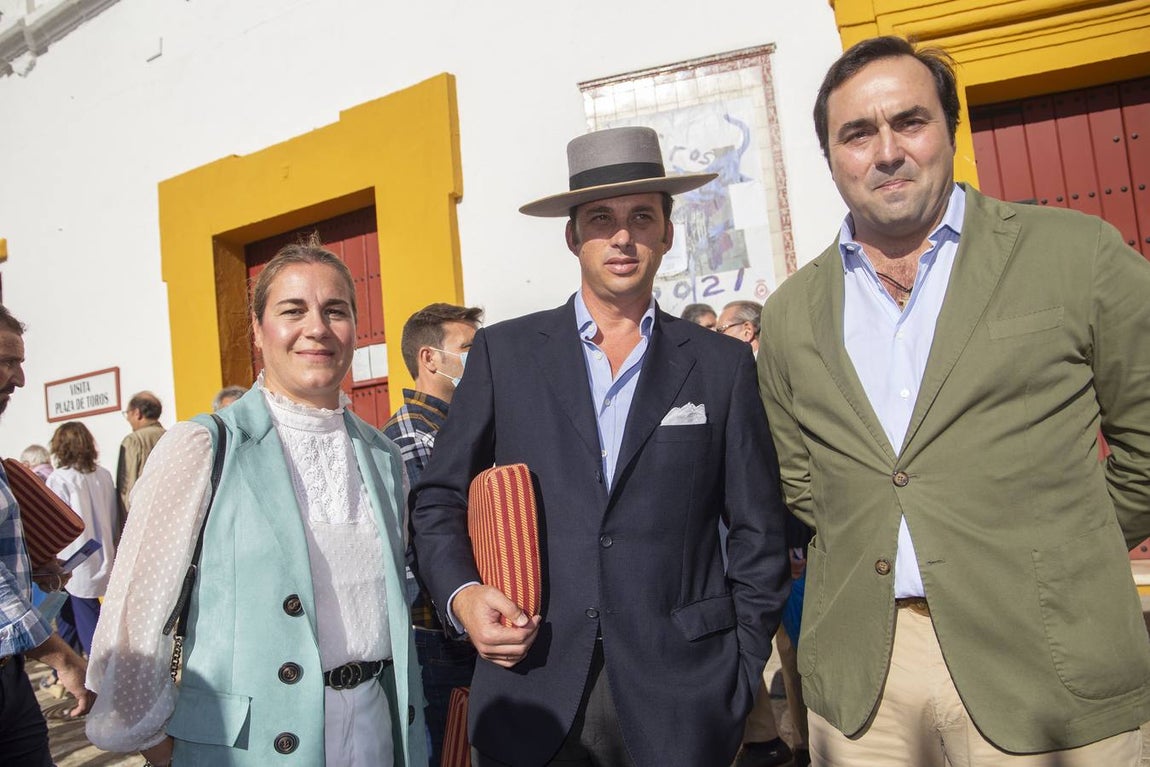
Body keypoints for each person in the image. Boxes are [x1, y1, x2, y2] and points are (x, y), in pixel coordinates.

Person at [758, 35, 1150, 766]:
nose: (886, 151)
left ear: (950, 130)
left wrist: (1065, 546)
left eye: (909, 121)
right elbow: (804, 481)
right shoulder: (790, 313)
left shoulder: (1076, 253)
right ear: (831, 157)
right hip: (865, 684)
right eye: (857, 133)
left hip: (1048, 657)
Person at [412, 126, 789, 767]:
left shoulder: (721, 366)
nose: (622, 236)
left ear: (668, 232)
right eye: (601, 219)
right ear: (572, 235)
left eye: (642, 216)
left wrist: (740, 665)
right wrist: (463, 597)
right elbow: (438, 499)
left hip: (685, 696)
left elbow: (758, 527)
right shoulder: (506, 355)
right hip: (533, 684)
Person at [86, 241, 426, 767]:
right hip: (247, 746)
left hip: (377, 727)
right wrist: (150, 739)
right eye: (293, 310)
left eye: (335, 310)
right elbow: (137, 610)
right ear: (257, 328)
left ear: (355, 328)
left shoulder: (382, 455)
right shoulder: (202, 446)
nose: (316, 327)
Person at [383, 302, 483, 767]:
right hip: (441, 636)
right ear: (430, 359)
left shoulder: (458, 428)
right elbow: (438, 542)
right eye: (467, 349)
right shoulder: (412, 438)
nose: (478, 359)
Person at [0, 305, 95, 765]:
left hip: (10, 675)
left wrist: (32, 569)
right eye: (5, 361)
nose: (18, 379)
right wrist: (60, 657)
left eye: (19, 363)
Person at [45, 422, 118, 656]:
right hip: (102, 550)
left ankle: (96, 676)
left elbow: (55, 522)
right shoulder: (103, 475)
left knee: (85, 619)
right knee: (69, 615)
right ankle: (69, 672)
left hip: (71, 555)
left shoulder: (60, 479)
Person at [115, 390, 165, 513]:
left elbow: (127, 488)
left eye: (128, 413)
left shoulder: (133, 440)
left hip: (142, 514)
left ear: (137, 413)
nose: (127, 418)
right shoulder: (170, 435)